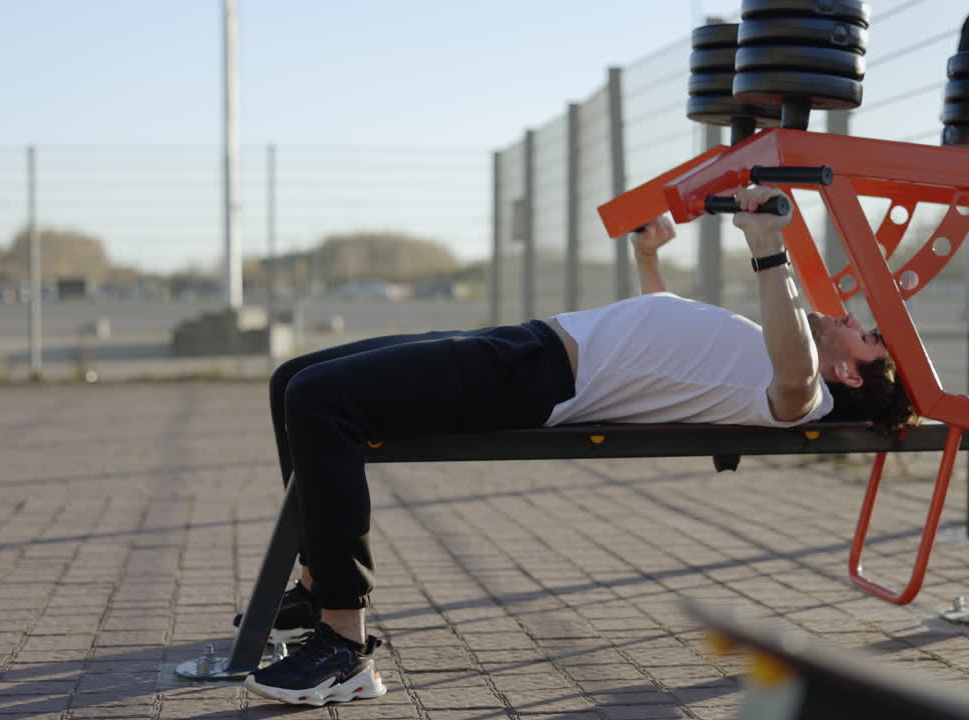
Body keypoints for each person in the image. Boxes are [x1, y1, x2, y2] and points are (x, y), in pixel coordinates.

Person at [242, 186, 914, 706]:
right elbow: (666, 340)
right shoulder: (773, 351)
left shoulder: (803, 392)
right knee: (293, 380)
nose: (857, 321)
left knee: (321, 400)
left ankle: (342, 644)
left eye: (870, 339)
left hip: (534, 377)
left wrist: (770, 244)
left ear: (851, 375)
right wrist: (648, 256)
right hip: (528, 346)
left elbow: (793, 372)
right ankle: (313, 583)